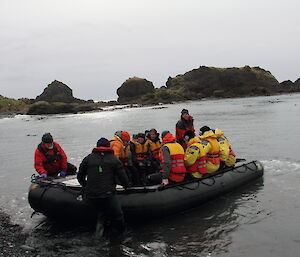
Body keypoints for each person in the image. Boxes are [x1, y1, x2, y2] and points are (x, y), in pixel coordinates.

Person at [77, 138, 129, 240]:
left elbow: (80, 176)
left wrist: (86, 186)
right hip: (108, 195)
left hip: (91, 195)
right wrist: (127, 187)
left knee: (100, 214)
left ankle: (98, 235)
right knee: (118, 215)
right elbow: (123, 178)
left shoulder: (88, 158)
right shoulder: (114, 159)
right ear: (108, 147)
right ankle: (121, 236)